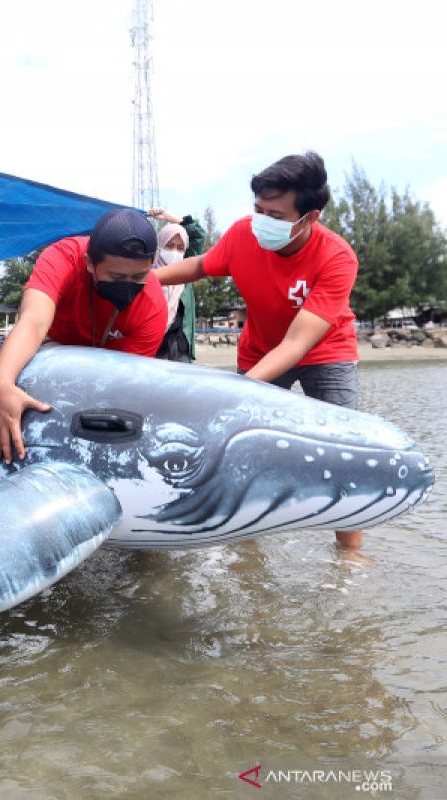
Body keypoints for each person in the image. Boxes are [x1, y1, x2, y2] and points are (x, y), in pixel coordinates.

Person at [155, 151, 363, 549]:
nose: (262, 222)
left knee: (342, 449)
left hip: (326, 352)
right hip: (259, 349)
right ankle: (244, 541)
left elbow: (299, 343)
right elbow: (199, 267)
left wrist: (241, 387)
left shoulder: (337, 257)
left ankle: (349, 553)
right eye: (258, 209)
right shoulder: (242, 234)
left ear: (310, 217)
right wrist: (144, 280)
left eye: (276, 215)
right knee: (242, 447)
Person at [0, 208, 167, 463]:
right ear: (89, 263)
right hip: (46, 349)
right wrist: (2, 384)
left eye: (138, 277)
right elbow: (33, 322)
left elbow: (123, 381)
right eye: (116, 276)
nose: (128, 284)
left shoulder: (153, 305)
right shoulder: (62, 257)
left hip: (106, 362)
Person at [147, 208, 206, 362]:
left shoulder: (185, 273)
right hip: (152, 348)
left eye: (180, 248)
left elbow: (198, 235)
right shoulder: (147, 275)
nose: (174, 252)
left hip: (181, 348)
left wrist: (169, 217)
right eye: (169, 245)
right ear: (159, 246)